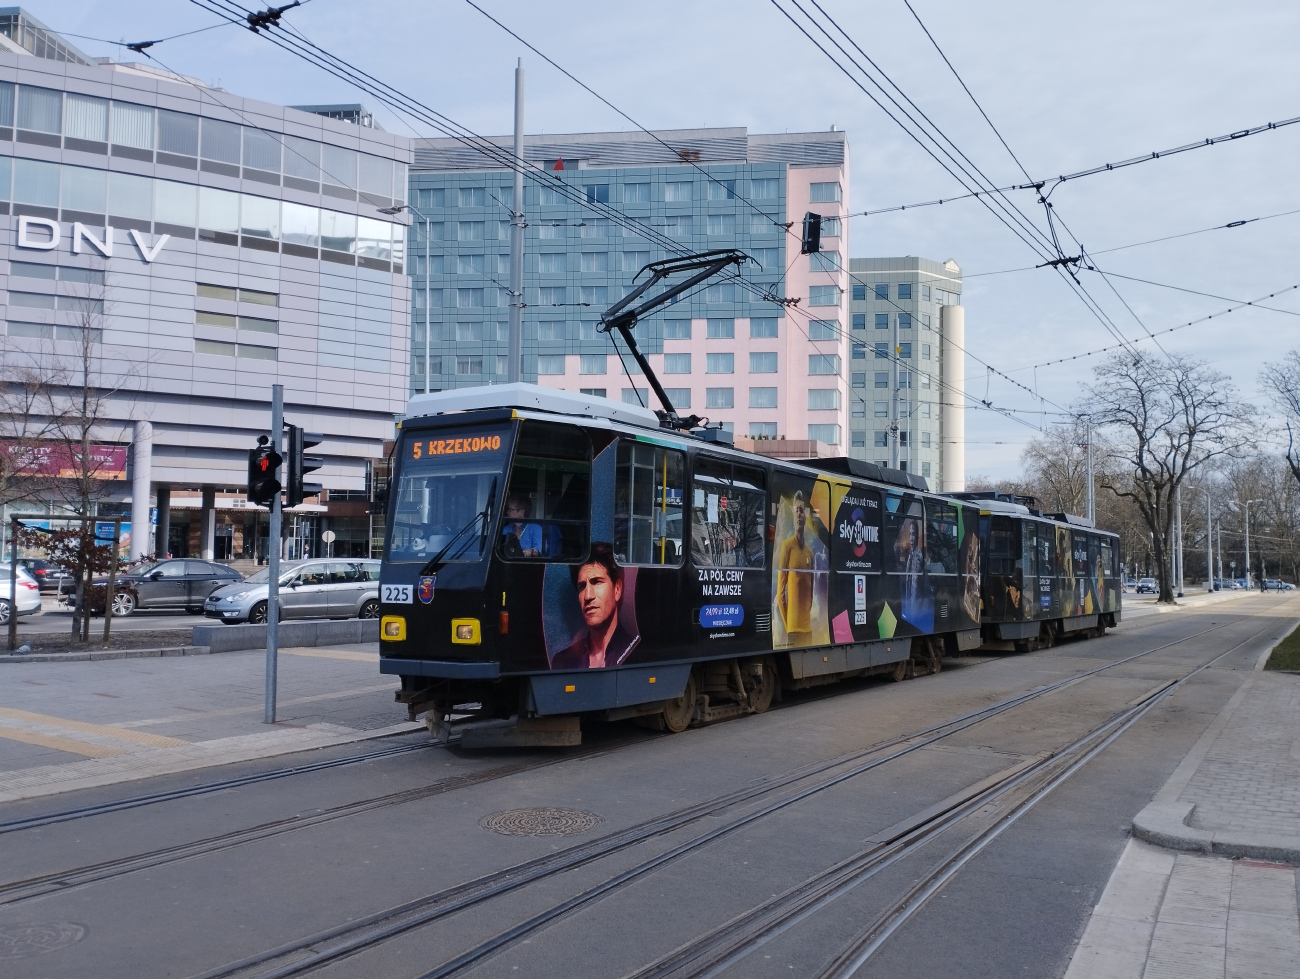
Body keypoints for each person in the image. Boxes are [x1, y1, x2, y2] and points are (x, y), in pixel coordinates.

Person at [551, 543, 639, 669]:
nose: (588, 596)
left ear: (617, 590)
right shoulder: (562, 661)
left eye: (597, 582)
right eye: (582, 586)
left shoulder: (634, 652)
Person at [776, 491, 814, 647]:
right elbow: (780, 594)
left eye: (802, 510)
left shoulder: (810, 553)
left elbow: (811, 594)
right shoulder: (787, 546)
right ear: (793, 515)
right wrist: (789, 627)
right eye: (796, 510)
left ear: (805, 516)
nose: (799, 514)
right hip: (793, 631)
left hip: (808, 630)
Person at [500, 493, 544, 557]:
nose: (507, 512)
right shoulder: (505, 529)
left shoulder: (536, 529)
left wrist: (530, 551)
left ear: (521, 512)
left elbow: (539, 550)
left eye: (511, 509)